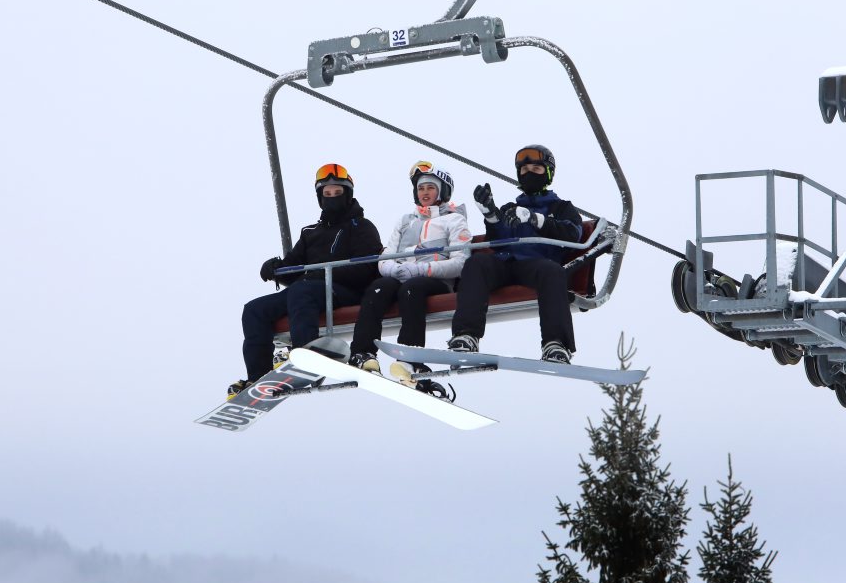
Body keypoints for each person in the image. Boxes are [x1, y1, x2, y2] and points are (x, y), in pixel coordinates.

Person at [229, 163, 383, 398]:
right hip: (310, 291)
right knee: (254, 310)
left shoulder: (361, 226)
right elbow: (292, 267)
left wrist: (319, 275)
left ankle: (306, 357)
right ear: (320, 198)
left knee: (302, 290)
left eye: (337, 193)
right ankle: (258, 375)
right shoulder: (311, 232)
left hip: (345, 291)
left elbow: (368, 267)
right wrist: (275, 269)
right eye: (327, 194)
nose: (332, 198)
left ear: (348, 194)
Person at [447, 144, 582, 364]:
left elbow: (572, 234)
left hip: (537, 265)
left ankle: (556, 344)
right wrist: (491, 214)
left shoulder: (561, 207)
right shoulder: (511, 207)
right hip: (506, 263)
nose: (529, 173)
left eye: (537, 169)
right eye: (525, 169)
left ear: (548, 174)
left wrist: (534, 218)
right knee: (477, 263)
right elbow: (499, 242)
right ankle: (466, 335)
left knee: (552, 272)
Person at [348, 162, 471, 390]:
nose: (424, 193)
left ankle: (409, 357)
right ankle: (363, 353)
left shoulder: (454, 220)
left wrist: (421, 269)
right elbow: (386, 256)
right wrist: (392, 269)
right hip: (402, 278)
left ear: (442, 191)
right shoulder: (406, 221)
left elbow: (460, 262)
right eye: (421, 188)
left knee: (411, 289)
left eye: (430, 188)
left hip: (436, 281)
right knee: (378, 287)